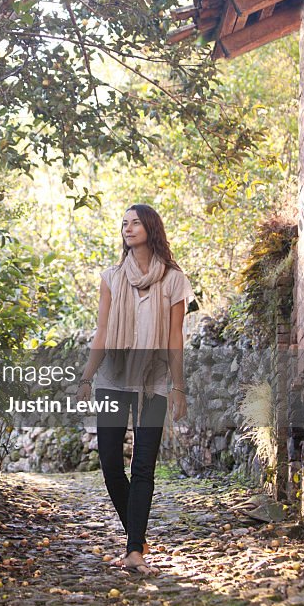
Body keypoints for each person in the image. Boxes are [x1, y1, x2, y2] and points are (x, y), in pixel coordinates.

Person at [76, 203, 194, 575]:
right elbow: (103, 331)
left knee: (143, 465)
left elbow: (175, 338)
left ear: (151, 228)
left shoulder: (174, 279)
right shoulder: (111, 277)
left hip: (155, 381)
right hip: (112, 378)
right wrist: (86, 377)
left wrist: (179, 387)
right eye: (124, 223)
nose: (128, 228)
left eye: (135, 222)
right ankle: (137, 537)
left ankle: (133, 551)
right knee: (110, 463)